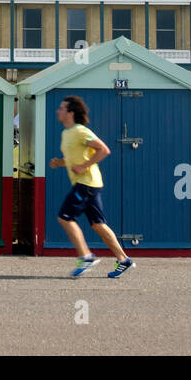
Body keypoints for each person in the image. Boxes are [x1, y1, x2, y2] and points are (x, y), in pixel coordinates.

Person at [48, 95, 135, 278]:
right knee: (98, 224)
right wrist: (60, 162)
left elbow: (103, 149)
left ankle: (86, 257)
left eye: (62, 108)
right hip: (90, 184)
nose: (58, 111)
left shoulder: (80, 131)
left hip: (86, 183)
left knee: (65, 217)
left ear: (70, 113)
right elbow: (75, 158)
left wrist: (83, 167)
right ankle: (124, 259)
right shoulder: (67, 133)